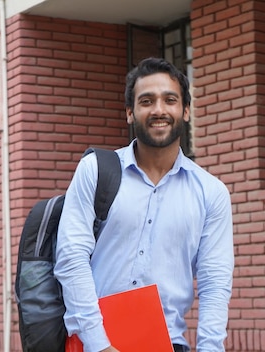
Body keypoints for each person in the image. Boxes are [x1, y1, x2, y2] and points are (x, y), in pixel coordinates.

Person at [54, 57, 234, 352]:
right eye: (147, 101)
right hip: (92, 343)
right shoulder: (95, 171)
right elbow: (71, 257)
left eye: (170, 100)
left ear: (185, 110)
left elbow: (215, 283)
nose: (159, 110)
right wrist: (99, 345)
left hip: (167, 344)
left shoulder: (211, 193)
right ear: (130, 112)